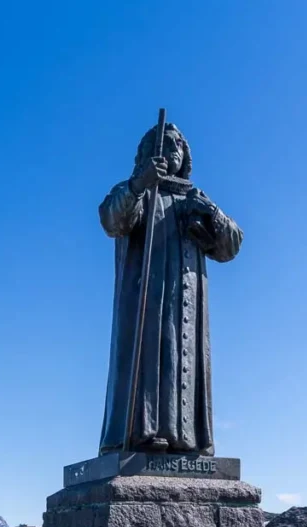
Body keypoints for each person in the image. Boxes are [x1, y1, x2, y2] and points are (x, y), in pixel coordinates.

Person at [98, 123, 242, 455]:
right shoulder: (136, 191)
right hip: (147, 300)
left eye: (177, 144)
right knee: (151, 356)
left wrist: (213, 214)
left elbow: (230, 247)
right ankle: (144, 433)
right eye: (162, 144)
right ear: (147, 154)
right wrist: (139, 184)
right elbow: (111, 220)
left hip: (189, 307)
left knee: (187, 364)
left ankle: (188, 438)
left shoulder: (195, 198)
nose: (171, 150)